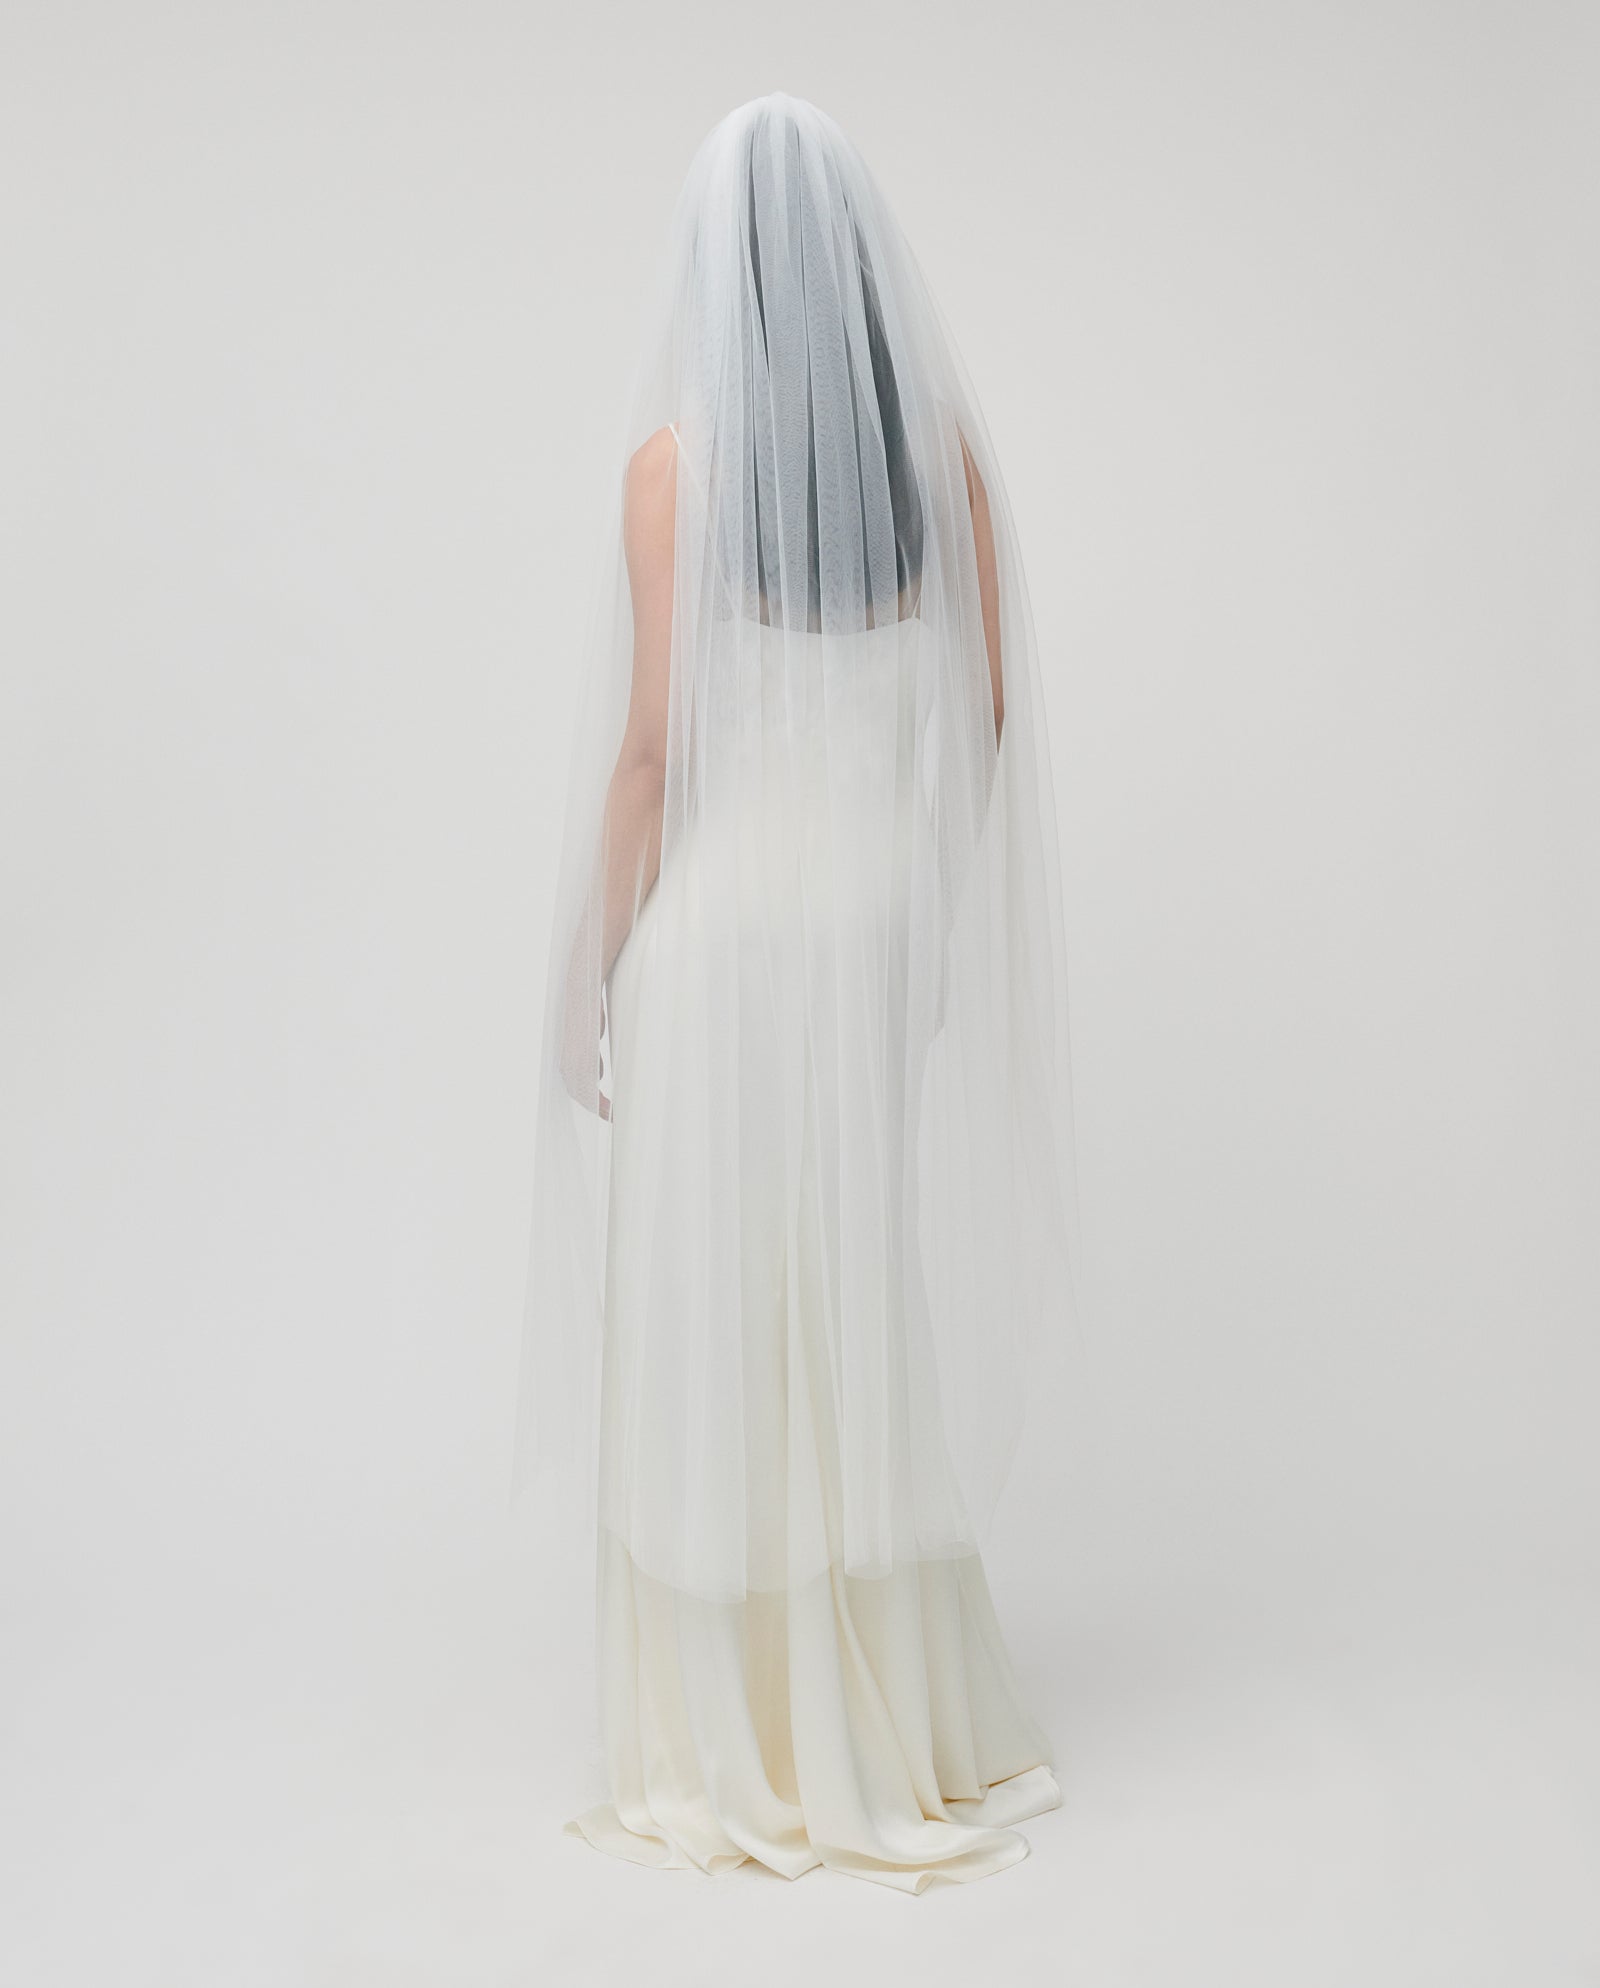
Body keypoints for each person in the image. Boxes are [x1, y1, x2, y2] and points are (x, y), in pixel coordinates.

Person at [515, 91, 1079, 1891]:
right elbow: (987, 717)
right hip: (866, 925)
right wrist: (912, 902)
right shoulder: (950, 476)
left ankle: (734, 1733)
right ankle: (885, 1705)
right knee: (849, 1298)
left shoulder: (673, 474)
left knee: (713, 1313)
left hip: (724, 937)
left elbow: (651, 760)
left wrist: (593, 978)